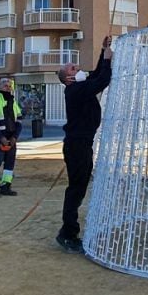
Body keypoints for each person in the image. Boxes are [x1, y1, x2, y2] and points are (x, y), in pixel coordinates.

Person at [56, 36, 113, 254]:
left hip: (81, 144)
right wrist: (107, 61)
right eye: (73, 68)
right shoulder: (75, 90)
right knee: (76, 189)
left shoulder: (80, 86)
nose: (77, 67)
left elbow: (97, 75)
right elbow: (102, 81)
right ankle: (67, 234)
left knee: (78, 188)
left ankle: (68, 231)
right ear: (68, 78)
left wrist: (103, 50)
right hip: (77, 145)